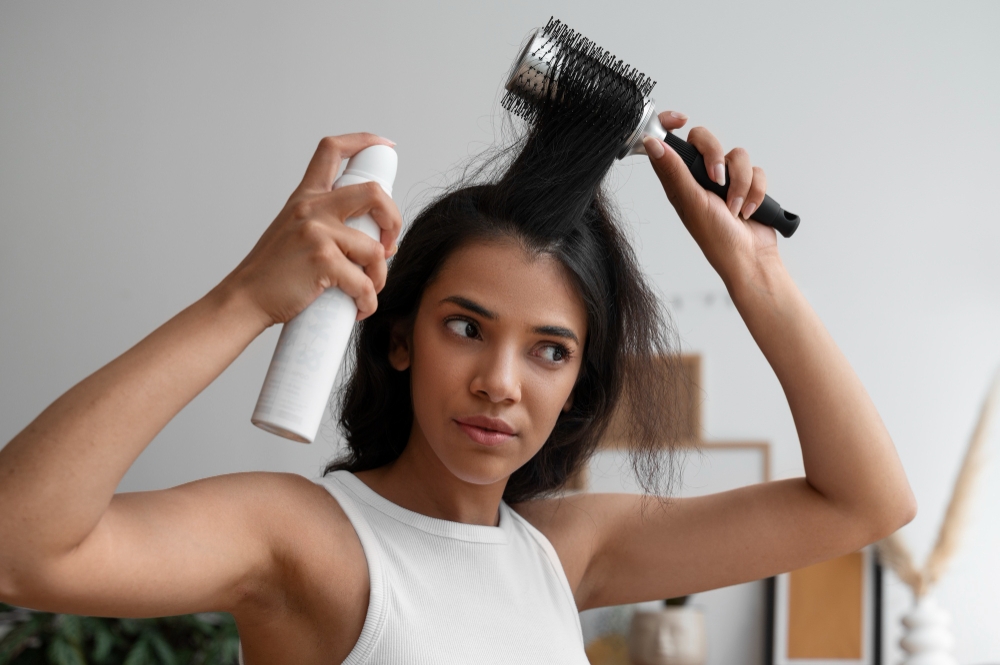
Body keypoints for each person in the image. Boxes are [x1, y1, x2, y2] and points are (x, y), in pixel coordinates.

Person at [0, 115, 916, 664]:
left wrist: (757, 275)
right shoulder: (306, 540)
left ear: (575, 384)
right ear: (399, 337)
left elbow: (866, 502)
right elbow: (18, 549)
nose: (499, 383)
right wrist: (243, 299)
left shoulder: (564, 549)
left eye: (549, 351)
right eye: (466, 327)